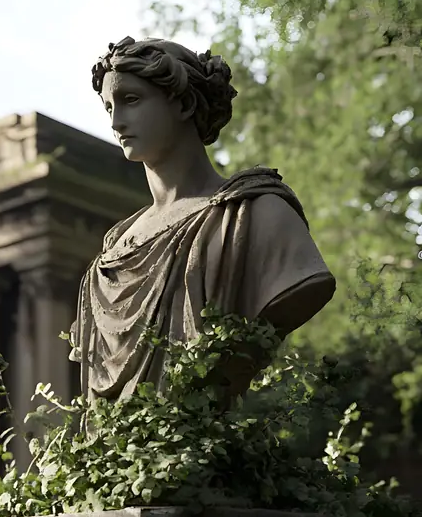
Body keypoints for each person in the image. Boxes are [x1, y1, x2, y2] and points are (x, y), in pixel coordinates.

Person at [70, 36, 336, 403]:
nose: (116, 121)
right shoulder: (112, 257)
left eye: (131, 100)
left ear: (183, 102)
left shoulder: (256, 215)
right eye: (108, 107)